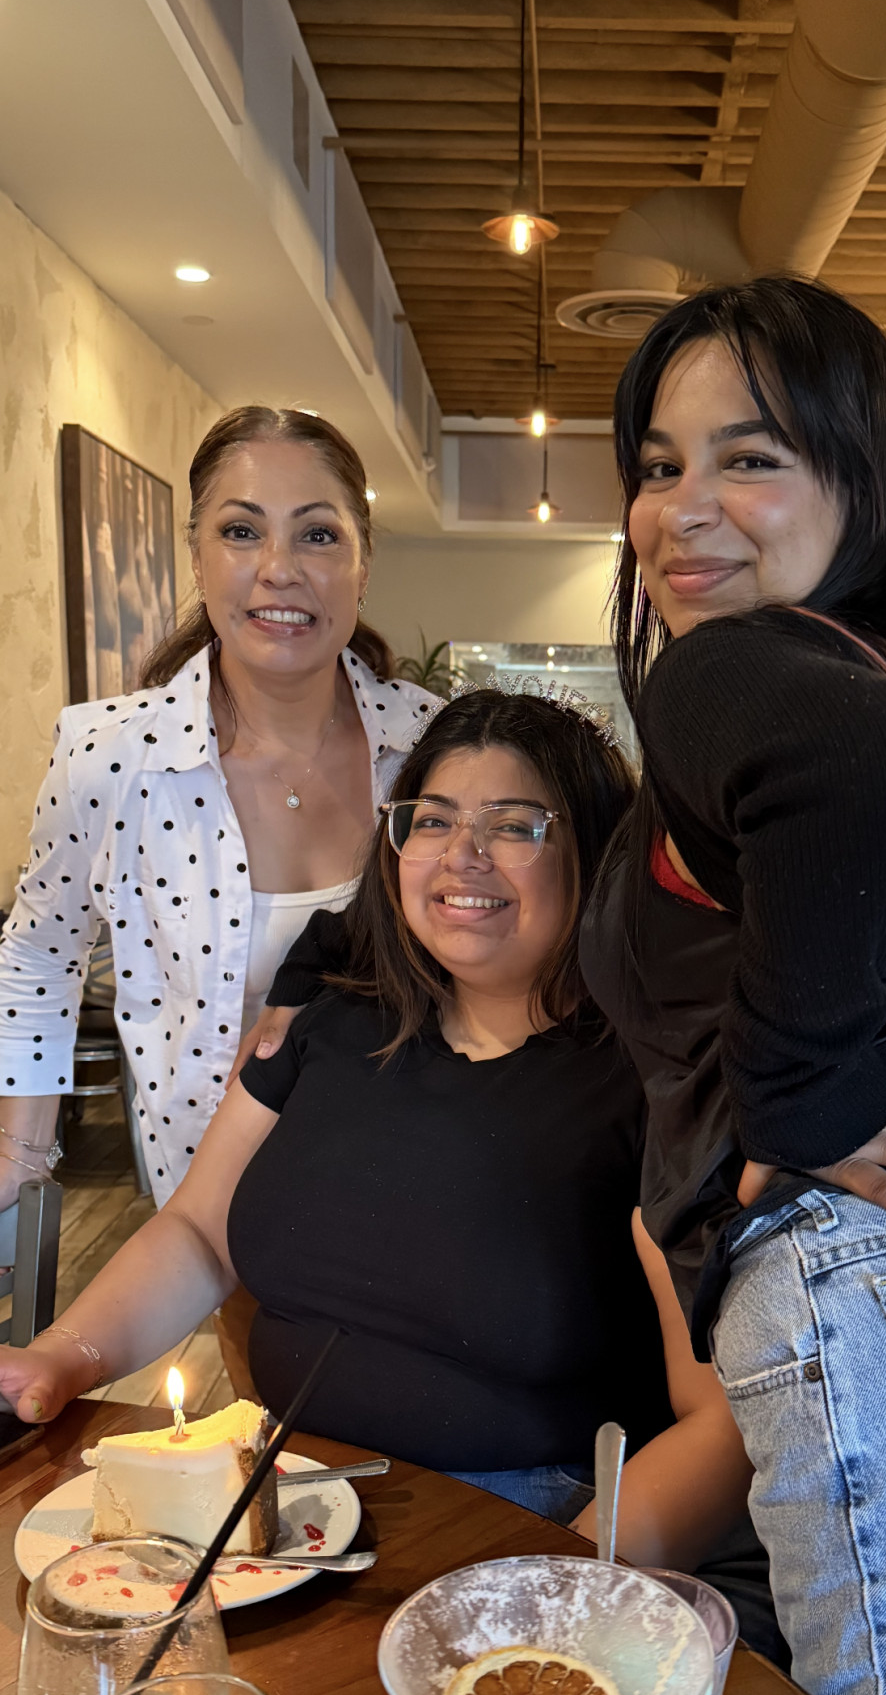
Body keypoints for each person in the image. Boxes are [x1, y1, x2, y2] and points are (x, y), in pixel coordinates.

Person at [0, 691, 764, 1630]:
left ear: (598, 855)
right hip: (277, 1502)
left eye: (514, 825)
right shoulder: (328, 1020)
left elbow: (722, 1422)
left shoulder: (652, 1089)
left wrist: (562, 1592)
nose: (462, 854)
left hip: (521, 1528)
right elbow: (198, 1231)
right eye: (432, 820)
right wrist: (64, 1355)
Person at [579, 275, 886, 1695]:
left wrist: (803, 1097)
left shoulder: (734, 669)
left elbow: (849, 769)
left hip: (842, 1272)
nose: (681, 510)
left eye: (749, 458)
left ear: (858, 478)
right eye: (658, 465)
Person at [0, 406, 431, 1218]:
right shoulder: (110, 757)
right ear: (197, 559)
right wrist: (20, 1158)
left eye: (318, 535)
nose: (279, 568)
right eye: (241, 531)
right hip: (207, 1208)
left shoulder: (431, 748)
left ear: (362, 564)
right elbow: (39, 956)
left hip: (406, 1193)